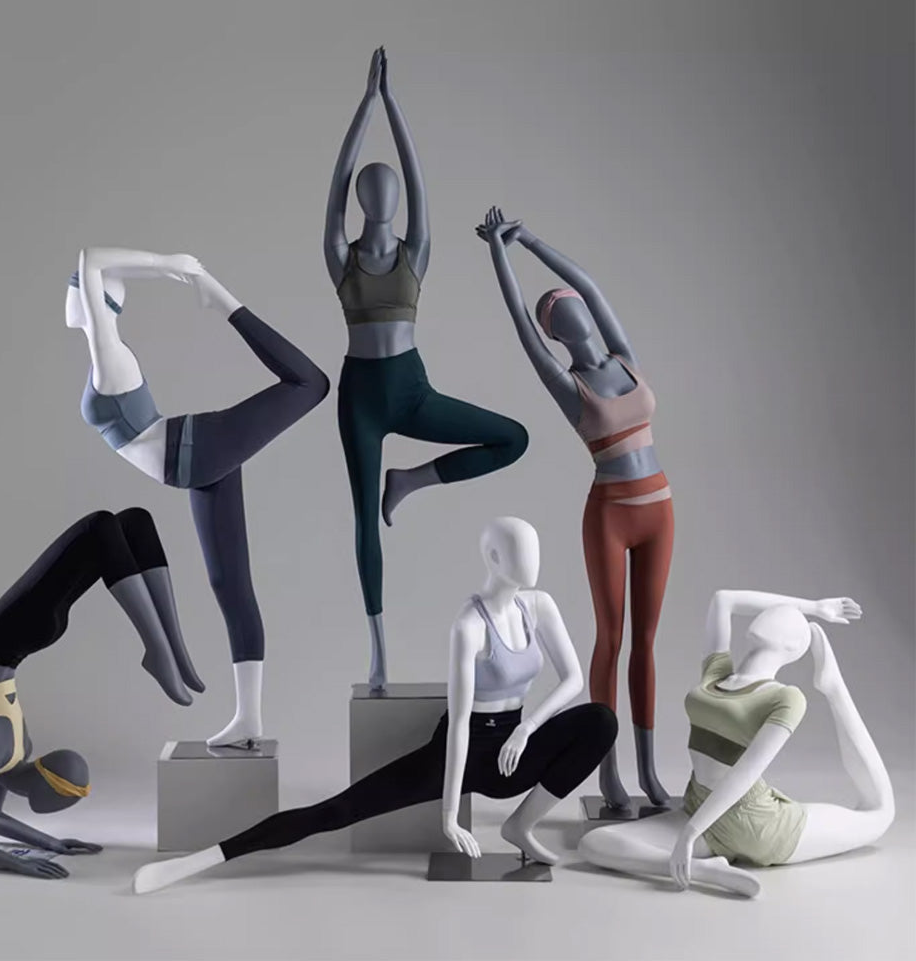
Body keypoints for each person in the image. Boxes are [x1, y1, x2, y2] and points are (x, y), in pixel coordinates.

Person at [132, 517, 617, 894]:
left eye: (534, 548)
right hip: (464, 750)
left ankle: (520, 826)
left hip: (515, 746)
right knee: (336, 810)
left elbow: (574, 678)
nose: (533, 560)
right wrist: (449, 815)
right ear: (493, 557)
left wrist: (527, 728)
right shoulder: (468, 626)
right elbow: (459, 724)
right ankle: (197, 862)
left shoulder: (539, 606)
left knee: (600, 721)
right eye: (520, 551)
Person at [325, 51, 528, 689]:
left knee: (512, 438)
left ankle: (411, 480)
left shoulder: (418, 251)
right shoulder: (339, 254)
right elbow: (338, 180)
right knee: (363, 518)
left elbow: (416, 181)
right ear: (362, 200)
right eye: (371, 189)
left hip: (410, 391)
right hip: (360, 397)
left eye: (387, 191)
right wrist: (366, 103)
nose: (383, 196)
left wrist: (391, 103)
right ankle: (379, 653)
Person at [68, 249, 329, 745]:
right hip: (196, 462)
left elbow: (91, 259)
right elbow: (94, 268)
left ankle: (223, 302)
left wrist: (168, 264)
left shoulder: (109, 357)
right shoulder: (103, 355)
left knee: (310, 383)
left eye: (74, 287)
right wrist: (162, 268)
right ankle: (248, 718)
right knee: (228, 584)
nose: (68, 294)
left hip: (199, 451)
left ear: (93, 301)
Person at [478, 207, 671, 809]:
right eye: (561, 312)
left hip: (659, 509)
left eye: (576, 305)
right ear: (557, 333)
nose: (576, 309)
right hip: (610, 515)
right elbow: (521, 324)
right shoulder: (569, 386)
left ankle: (649, 772)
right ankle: (608, 773)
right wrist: (498, 253)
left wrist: (530, 239)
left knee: (647, 641)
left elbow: (587, 282)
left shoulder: (624, 357)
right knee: (610, 638)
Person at [578, 590, 895, 897]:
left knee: (879, 812)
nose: (778, 612)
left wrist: (690, 833)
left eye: (788, 617)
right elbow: (724, 598)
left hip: (756, 823)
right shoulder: (715, 675)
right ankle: (704, 870)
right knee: (594, 843)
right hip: (700, 809)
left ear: (793, 646)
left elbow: (745, 772)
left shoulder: (785, 697)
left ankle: (834, 688)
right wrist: (813, 607)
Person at [0, 509, 192, 877]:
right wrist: (38, 850)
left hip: (1, 642)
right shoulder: (11, 752)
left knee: (109, 526)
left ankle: (164, 650)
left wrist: (44, 849)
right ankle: (169, 650)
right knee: (120, 526)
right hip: (13, 644)